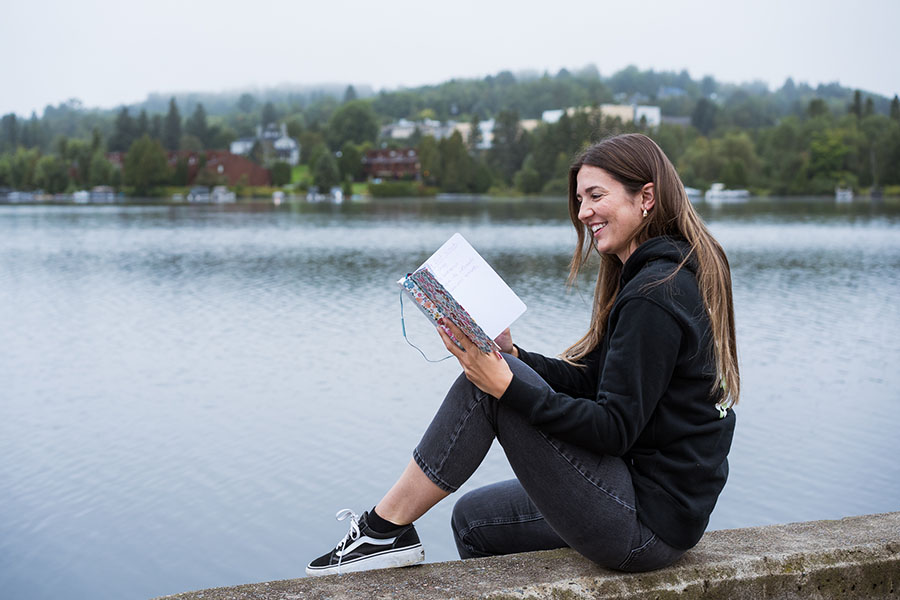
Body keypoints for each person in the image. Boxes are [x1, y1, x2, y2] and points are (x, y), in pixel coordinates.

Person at [306, 133, 739, 577]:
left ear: (645, 197)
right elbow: (596, 381)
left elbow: (614, 430)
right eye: (579, 199)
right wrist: (515, 355)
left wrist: (508, 384)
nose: (583, 211)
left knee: (486, 390)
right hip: (645, 502)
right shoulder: (661, 275)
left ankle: (381, 530)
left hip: (647, 524)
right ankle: (387, 532)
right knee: (474, 520)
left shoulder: (655, 293)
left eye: (595, 195)